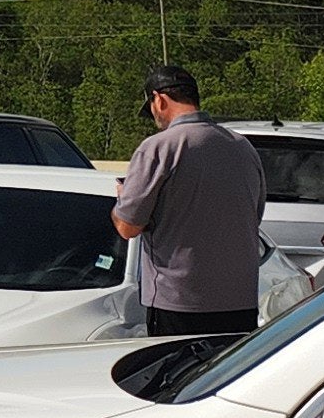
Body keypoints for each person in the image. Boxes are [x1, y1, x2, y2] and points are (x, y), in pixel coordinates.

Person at [108, 64, 268, 336]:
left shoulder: (158, 147)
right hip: (239, 303)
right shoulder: (242, 147)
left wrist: (124, 199)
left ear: (159, 99)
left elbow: (127, 227)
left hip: (179, 302)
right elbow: (254, 216)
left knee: (181, 378)